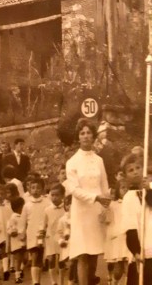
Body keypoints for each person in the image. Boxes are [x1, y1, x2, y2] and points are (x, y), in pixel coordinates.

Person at [66, 118, 111, 285]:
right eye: (82, 133)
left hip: (96, 212)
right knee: (83, 253)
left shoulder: (99, 160)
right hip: (81, 212)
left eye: (88, 133)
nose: (85, 136)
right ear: (78, 137)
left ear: (93, 136)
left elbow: (104, 185)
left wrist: (106, 205)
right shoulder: (72, 162)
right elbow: (74, 190)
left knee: (94, 253)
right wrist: (96, 198)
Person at [120, 152, 152, 284]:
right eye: (130, 170)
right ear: (125, 176)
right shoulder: (128, 198)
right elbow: (130, 227)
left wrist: (149, 190)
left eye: (138, 168)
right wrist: (136, 251)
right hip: (142, 249)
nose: (135, 172)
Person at [21, 176, 49, 285]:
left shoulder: (46, 203)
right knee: (35, 256)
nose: (35, 190)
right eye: (33, 188)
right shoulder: (27, 205)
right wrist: (22, 233)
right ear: (29, 190)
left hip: (43, 233)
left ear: (42, 189)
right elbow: (23, 221)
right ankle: (35, 281)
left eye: (38, 188)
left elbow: (49, 217)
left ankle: (38, 280)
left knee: (40, 258)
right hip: (32, 234)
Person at [104, 180, 130, 285]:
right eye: (123, 187)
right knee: (118, 270)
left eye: (127, 187)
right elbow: (107, 220)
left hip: (129, 237)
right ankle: (115, 282)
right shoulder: (113, 204)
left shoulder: (134, 202)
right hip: (118, 238)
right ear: (118, 190)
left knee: (128, 267)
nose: (125, 190)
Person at [43, 183, 66, 285]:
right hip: (50, 237)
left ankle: (61, 281)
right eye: (52, 195)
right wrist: (42, 234)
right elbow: (43, 224)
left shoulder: (65, 209)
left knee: (62, 260)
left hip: (62, 237)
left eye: (57, 195)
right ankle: (53, 282)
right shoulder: (47, 210)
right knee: (51, 259)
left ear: (62, 196)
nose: (54, 197)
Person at [7, 195, 26, 284]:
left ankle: (21, 270)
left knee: (24, 258)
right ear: (19, 207)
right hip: (16, 241)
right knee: (18, 258)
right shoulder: (13, 217)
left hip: (24, 240)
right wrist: (12, 232)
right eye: (23, 206)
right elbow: (9, 228)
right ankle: (17, 276)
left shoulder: (23, 216)